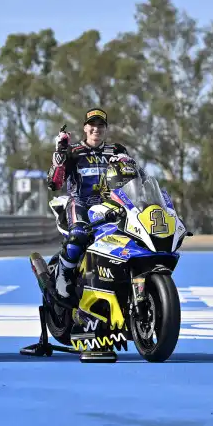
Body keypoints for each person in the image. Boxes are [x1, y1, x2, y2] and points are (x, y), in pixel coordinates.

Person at [46, 107, 131, 298]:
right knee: (78, 237)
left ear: (106, 129)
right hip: (80, 204)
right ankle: (63, 275)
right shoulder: (73, 151)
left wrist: (127, 162)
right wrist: (59, 154)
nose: (96, 129)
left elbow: (136, 179)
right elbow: (54, 183)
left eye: (101, 125)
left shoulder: (116, 150)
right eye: (92, 124)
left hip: (113, 207)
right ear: (85, 128)